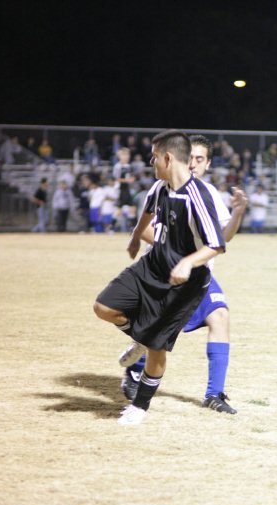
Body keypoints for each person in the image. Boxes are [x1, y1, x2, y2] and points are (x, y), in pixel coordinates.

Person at [93, 129, 226, 425]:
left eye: (154, 157)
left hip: (186, 284)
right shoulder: (159, 188)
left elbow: (216, 245)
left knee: (157, 348)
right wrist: (134, 238)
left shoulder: (198, 197)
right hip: (152, 266)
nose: (151, 163)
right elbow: (147, 214)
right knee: (103, 307)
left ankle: (139, 407)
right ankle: (140, 336)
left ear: (167, 157)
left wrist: (188, 263)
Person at [119, 134, 248, 413]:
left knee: (220, 316)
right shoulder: (164, 188)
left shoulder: (210, 194)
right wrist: (176, 254)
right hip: (165, 274)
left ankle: (214, 395)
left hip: (198, 275)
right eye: (190, 158)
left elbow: (221, 238)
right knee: (159, 332)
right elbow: (142, 228)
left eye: (199, 160)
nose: (193, 165)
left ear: (208, 164)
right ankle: (135, 371)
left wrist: (237, 214)